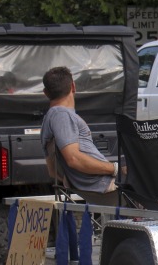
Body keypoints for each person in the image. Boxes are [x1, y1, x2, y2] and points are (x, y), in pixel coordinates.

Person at [40, 66, 119, 206]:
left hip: (94, 187)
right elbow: (73, 159)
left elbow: (52, 171)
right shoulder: (61, 115)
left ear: (45, 93)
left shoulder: (49, 119)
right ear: (73, 86)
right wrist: (114, 169)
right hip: (104, 185)